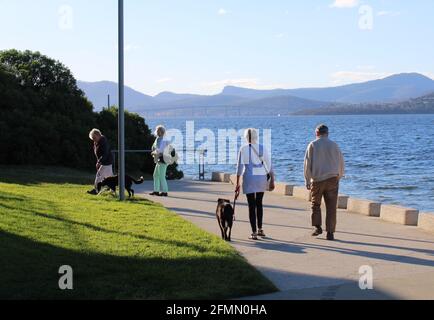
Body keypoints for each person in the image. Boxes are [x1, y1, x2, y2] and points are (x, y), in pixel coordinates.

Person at [304, 124, 345, 241]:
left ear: (317, 133)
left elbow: (307, 163)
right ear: (327, 133)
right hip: (332, 179)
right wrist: (339, 176)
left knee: (315, 205)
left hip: (317, 180)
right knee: (331, 207)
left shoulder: (313, 145)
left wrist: (307, 179)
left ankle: (318, 227)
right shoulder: (334, 145)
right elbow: (341, 162)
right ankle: (330, 233)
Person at [235, 128, 275, 240]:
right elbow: (269, 165)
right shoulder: (262, 148)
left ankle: (253, 232)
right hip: (261, 178)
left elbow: (239, 168)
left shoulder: (243, 149)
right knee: (259, 204)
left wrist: (237, 184)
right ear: (256, 136)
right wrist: (272, 180)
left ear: (246, 137)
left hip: (249, 178)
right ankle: (260, 229)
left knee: (251, 206)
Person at [87, 129, 114, 195]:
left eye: (94, 138)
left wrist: (100, 162)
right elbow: (98, 154)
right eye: (92, 138)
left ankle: (96, 190)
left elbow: (105, 153)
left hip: (106, 162)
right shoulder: (97, 142)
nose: (93, 140)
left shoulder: (103, 142)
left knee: (99, 175)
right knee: (109, 177)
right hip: (106, 161)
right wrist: (98, 161)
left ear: (98, 135)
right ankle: (112, 190)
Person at [150, 125, 170, 197]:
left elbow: (160, 150)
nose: (157, 132)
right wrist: (154, 152)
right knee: (155, 175)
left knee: (161, 176)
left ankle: (165, 192)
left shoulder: (163, 139)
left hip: (163, 159)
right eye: (157, 130)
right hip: (159, 159)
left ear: (162, 132)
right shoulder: (158, 139)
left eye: (159, 131)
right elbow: (154, 147)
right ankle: (156, 191)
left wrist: (154, 152)